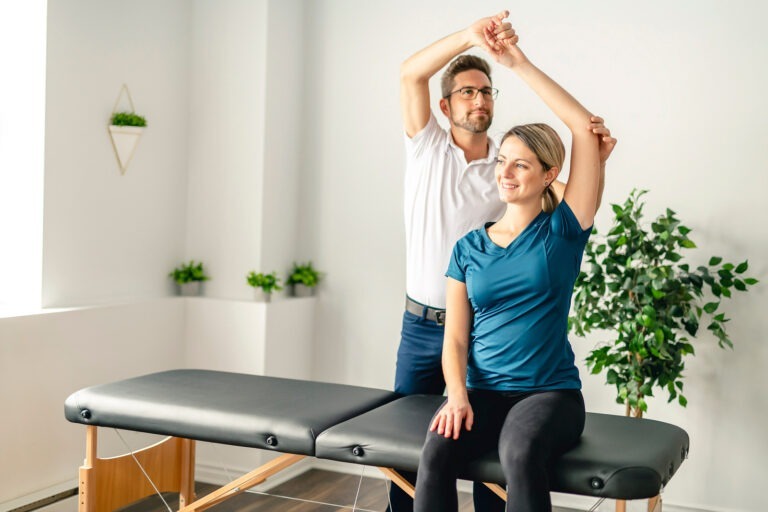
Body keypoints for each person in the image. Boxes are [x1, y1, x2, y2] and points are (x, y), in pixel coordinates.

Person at [394, 11, 616, 512]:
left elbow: (582, 131)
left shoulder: (561, 231)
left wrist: (517, 62)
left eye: (521, 165)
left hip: (548, 392)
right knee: (431, 454)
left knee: (516, 454)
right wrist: (457, 394)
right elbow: (456, 336)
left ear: (547, 174)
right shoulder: (468, 244)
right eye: (504, 164)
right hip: (467, 372)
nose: (508, 172)